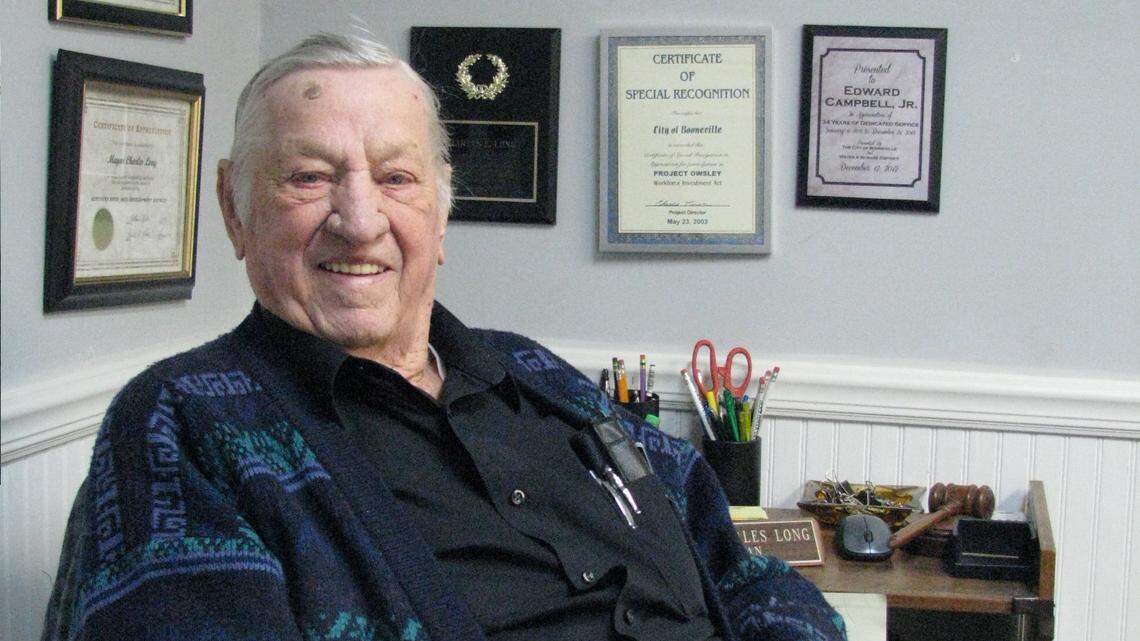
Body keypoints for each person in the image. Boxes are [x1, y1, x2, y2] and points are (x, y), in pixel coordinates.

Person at [42, 33, 845, 641]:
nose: (361, 223)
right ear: (233, 208)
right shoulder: (179, 423)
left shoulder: (536, 374)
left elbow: (748, 571)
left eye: (396, 178)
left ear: (442, 211)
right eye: (310, 177)